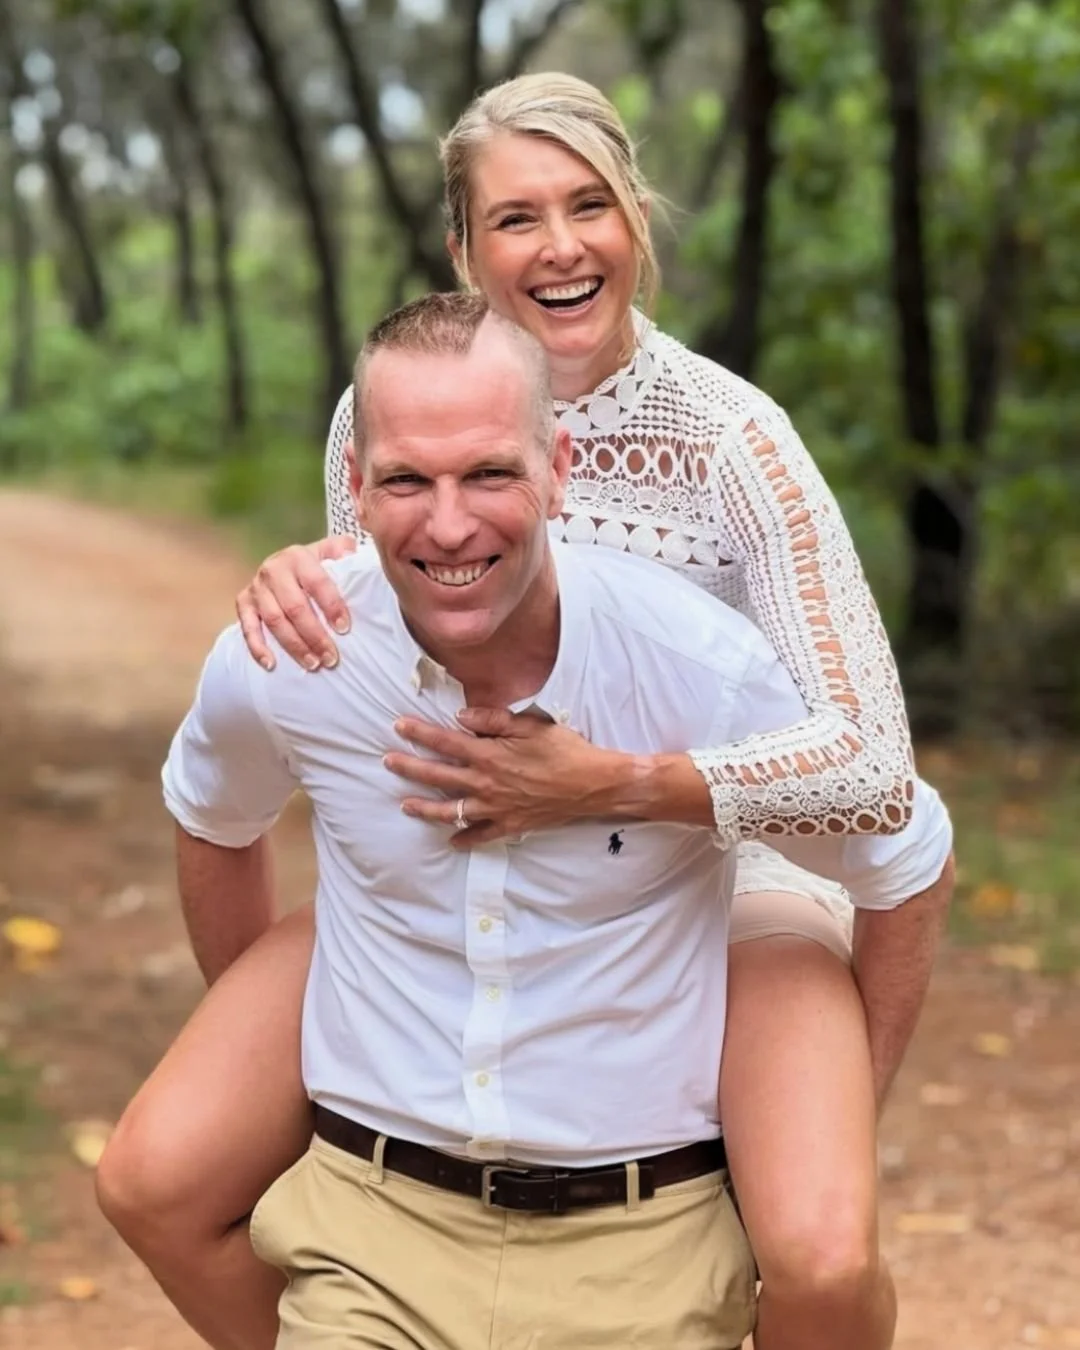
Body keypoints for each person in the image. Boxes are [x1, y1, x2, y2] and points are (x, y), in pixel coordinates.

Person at [96, 75, 955, 1350]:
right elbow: (388, 638)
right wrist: (295, 582)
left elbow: (874, 768)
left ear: (635, 226)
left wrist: (618, 784)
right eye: (514, 218)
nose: (557, 246)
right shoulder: (380, 411)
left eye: (588, 207)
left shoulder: (731, 439)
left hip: (730, 850)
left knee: (819, 1252)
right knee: (156, 1172)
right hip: (481, 836)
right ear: (462, 249)